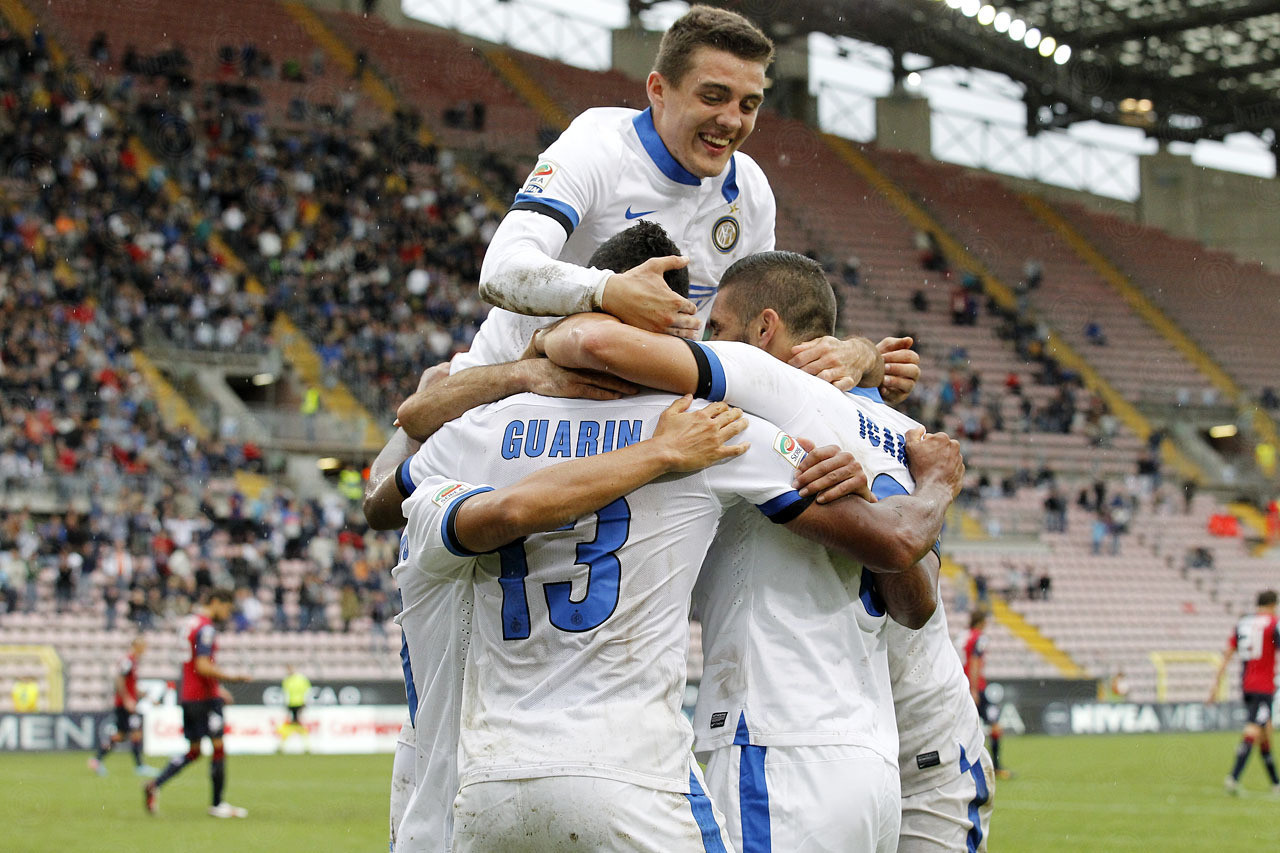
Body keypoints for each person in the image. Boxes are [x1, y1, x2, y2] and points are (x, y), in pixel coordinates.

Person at [533, 250, 966, 851]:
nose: (707, 338)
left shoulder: (764, 389)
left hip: (771, 741)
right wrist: (913, 480)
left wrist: (548, 332)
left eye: (718, 326)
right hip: (867, 760)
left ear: (765, 329)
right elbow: (915, 605)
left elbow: (594, 344)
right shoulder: (891, 429)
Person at [460, 5, 891, 398]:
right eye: (713, 97)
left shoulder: (751, 191)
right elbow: (500, 271)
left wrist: (862, 358)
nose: (731, 120)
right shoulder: (599, 145)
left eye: (748, 105)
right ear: (658, 90)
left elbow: (763, 334)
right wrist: (608, 292)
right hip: (509, 394)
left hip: (638, 411)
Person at [144, 588, 251, 817]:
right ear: (216, 602)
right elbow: (202, 665)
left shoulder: (189, 623)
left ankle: (155, 784)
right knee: (218, 746)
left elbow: (193, 665)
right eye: (227, 608)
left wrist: (217, 688)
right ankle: (218, 804)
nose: (227, 614)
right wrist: (233, 677)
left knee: (194, 751)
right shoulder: (206, 628)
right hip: (204, 699)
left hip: (189, 695)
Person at [1211, 590, 1280, 794]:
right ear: (1273, 605)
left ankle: (1275, 782)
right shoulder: (1273, 623)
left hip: (1247, 684)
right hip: (1263, 687)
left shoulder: (1243, 623)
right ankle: (1233, 777)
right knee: (1254, 729)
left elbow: (1227, 653)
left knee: (1264, 732)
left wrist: (1215, 684)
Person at [89, 635, 157, 777]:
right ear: (136, 646)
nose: (145, 650)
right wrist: (126, 700)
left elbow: (131, 685)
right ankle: (140, 767)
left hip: (125, 703)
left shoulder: (133, 662)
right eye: (143, 646)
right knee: (135, 733)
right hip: (125, 705)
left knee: (120, 736)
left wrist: (148, 698)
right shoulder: (128, 661)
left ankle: (97, 759)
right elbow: (119, 679)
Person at [964, 610, 1009, 780]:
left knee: (965, 729)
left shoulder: (964, 636)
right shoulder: (979, 637)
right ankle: (996, 767)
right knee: (995, 726)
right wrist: (974, 689)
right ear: (981, 622)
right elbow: (975, 661)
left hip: (961, 686)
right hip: (976, 688)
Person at [277, 664, 311, 752]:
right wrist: (286, 704)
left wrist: (305, 702)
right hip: (291, 705)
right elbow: (285, 693)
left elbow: (307, 691)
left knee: (294, 724)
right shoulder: (286, 680)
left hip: (300, 704)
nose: (289, 671)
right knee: (294, 724)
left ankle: (306, 746)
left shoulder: (301, 679)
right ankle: (306, 746)